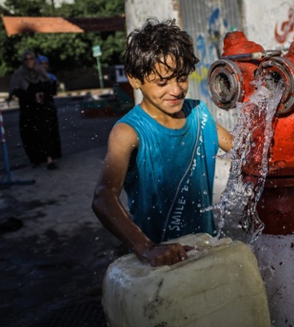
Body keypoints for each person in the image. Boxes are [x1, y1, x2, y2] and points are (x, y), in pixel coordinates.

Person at [92, 19, 233, 267]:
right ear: (135, 79)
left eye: (181, 78)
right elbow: (103, 197)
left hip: (203, 250)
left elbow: (242, 149)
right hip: (156, 263)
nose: (176, 90)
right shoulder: (129, 132)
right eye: (162, 82)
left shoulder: (199, 115)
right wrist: (146, 248)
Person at [9, 51, 62, 170]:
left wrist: (43, 95)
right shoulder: (19, 74)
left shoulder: (41, 73)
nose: (29, 61)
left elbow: (49, 88)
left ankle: (49, 159)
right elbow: (16, 91)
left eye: (31, 59)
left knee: (46, 134)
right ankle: (35, 159)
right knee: (30, 136)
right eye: (26, 59)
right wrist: (32, 96)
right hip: (28, 110)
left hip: (43, 109)